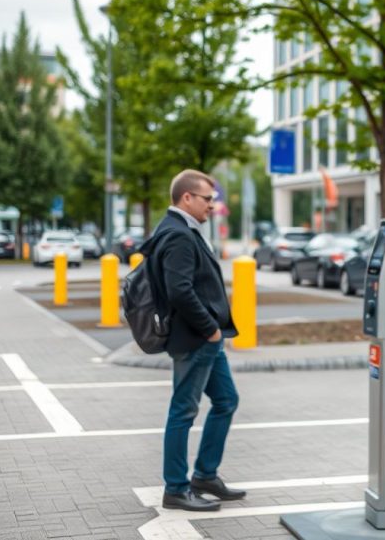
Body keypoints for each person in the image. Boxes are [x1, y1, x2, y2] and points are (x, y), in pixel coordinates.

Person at [140, 169, 245, 512]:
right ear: (187, 198)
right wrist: (211, 329)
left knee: (226, 399)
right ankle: (175, 488)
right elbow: (180, 291)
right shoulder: (178, 235)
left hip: (204, 339)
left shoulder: (179, 230)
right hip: (196, 338)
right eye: (207, 199)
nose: (213, 205)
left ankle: (205, 475)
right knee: (183, 411)